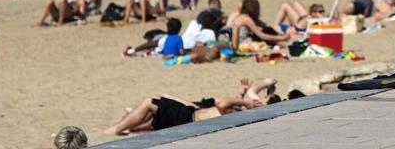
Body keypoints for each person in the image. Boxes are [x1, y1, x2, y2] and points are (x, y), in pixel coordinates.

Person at [104, 80, 279, 136]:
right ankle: (130, 124)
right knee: (159, 101)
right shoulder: (251, 110)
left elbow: (221, 104)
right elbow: (226, 110)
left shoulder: (253, 110)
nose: (260, 98)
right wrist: (241, 97)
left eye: (265, 98)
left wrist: (242, 101)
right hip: (190, 116)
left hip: (189, 119)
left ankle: (116, 129)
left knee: (150, 102)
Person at [226, 0, 291, 49]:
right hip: (242, 43)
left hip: (240, 41)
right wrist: (282, 37)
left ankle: (287, 44)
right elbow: (262, 35)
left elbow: (262, 25)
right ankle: (289, 45)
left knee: (268, 30)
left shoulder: (243, 16)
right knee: (268, 36)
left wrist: (276, 32)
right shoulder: (246, 19)